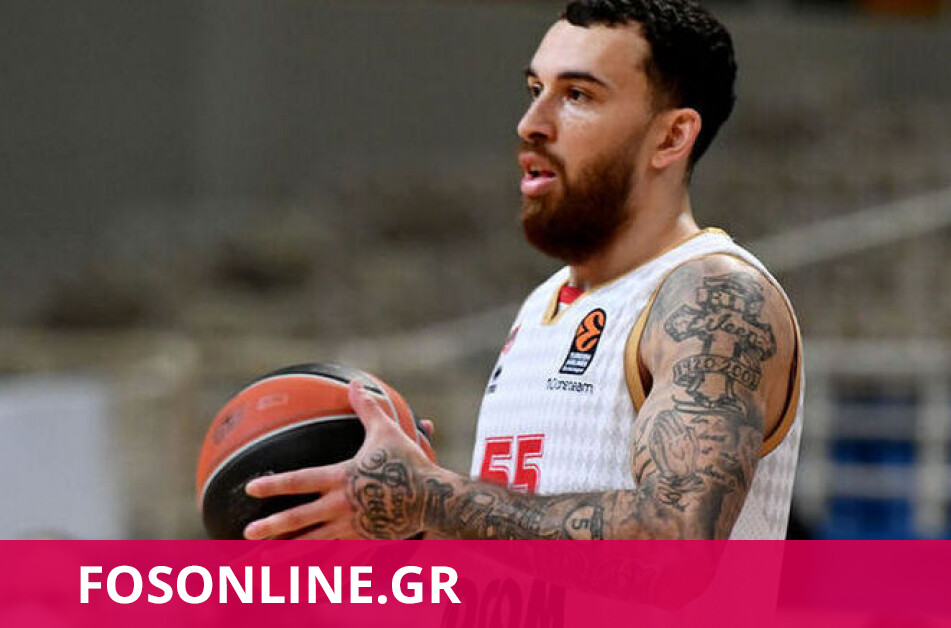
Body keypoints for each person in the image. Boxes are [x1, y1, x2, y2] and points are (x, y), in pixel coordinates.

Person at [243, 0, 804, 541]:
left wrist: (433, 498)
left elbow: (678, 540)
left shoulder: (714, 295)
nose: (531, 123)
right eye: (537, 90)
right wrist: (405, 519)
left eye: (577, 95)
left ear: (671, 136)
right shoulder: (543, 304)